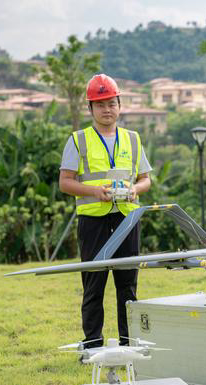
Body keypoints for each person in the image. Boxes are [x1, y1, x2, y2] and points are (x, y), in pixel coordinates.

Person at [59, 74, 152, 347]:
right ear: (90, 109)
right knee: (93, 285)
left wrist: (137, 189)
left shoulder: (133, 139)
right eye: (100, 105)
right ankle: (92, 344)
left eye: (111, 103)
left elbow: (146, 179)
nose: (107, 109)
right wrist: (94, 192)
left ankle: (129, 341)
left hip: (127, 219)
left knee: (128, 286)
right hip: (93, 221)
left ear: (119, 105)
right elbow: (65, 182)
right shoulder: (78, 140)